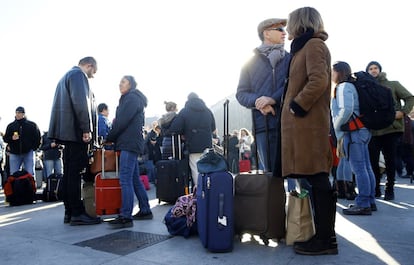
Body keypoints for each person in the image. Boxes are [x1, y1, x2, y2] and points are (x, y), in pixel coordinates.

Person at [281, 7, 337, 255]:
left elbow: (320, 80)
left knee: (318, 179)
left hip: (309, 125)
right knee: (313, 180)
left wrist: (297, 105)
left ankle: (326, 239)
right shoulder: (303, 48)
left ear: (300, 23)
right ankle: (322, 236)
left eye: (290, 23)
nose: (287, 29)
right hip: (303, 126)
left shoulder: (313, 45)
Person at [48, 56, 101, 226]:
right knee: (75, 173)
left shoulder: (65, 77)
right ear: (89, 65)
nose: (92, 76)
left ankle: (69, 212)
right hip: (76, 133)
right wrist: (86, 129)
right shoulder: (79, 76)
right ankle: (77, 212)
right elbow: (81, 102)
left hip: (67, 133)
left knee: (69, 174)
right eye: (93, 72)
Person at [236, 17, 291, 175]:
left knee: (300, 175)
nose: (284, 33)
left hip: (290, 122)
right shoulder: (249, 62)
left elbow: (293, 86)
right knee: (272, 176)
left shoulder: (291, 59)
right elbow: (241, 93)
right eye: (280, 29)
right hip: (263, 125)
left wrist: (272, 99)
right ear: (267, 33)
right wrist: (259, 102)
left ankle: (301, 201)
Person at [106, 75, 153, 228]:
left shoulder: (131, 98)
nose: (120, 84)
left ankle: (125, 216)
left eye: (123, 82)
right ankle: (145, 209)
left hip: (129, 143)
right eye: (119, 82)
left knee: (125, 179)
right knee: (133, 179)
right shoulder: (132, 98)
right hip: (131, 142)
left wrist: (110, 137)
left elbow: (121, 121)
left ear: (131, 85)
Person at [331, 61, 377, 215]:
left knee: (359, 168)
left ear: (339, 72)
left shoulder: (343, 87)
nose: (331, 74)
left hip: (354, 132)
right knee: (366, 167)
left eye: (332, 71)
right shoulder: (352, 86)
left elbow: (346, 109)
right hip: (362, 130)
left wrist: (336, 125)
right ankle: (369, 201)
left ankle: (363, 203)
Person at [366, 61, 414, 200]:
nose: (373, 70)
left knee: (390, 160)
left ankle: (389, 189)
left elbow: (410, 98)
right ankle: (375, 189)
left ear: (380, 70)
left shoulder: (393, 84)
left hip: (391, 129)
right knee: (373, 161)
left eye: (376, 68)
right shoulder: (366, 87)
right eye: (370, 68)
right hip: (374, 130)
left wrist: (403, 112)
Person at [169, 92, 216, 187]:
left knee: (196, 170)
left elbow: (175, 128)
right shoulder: (207, 111)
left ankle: (200, 194)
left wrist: (184, 133)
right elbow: (213, 127)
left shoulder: (185, 111)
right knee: (207, 169)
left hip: (193, 146)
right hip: (207, 145)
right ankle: (209, 192)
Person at [3, 106, 41, 176]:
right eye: (16, 112)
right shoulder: (11, 126)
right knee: (13, 174)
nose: (17, 114)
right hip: (14, 153)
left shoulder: (32, 125)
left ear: (24, 114)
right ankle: (15, 187)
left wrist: (34, 148)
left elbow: (38, 138)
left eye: (19, 113)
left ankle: (31, 187)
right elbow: (5, 138)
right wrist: (11, 138)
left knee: (30, 173)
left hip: (28, 152)